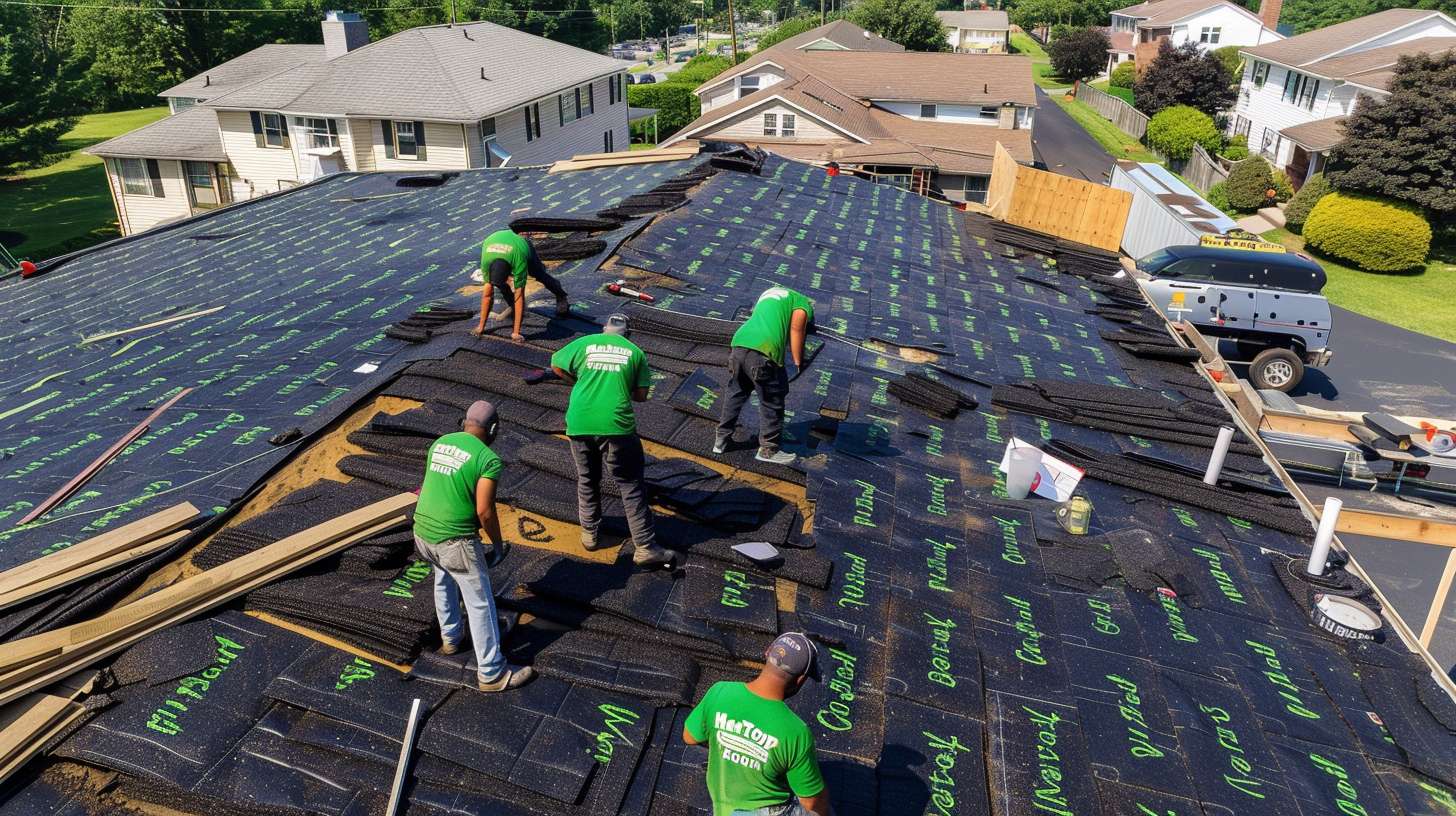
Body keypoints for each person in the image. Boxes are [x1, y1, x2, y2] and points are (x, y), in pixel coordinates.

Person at [412, 400, 535, 692]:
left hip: (423, 533)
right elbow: (484, 511)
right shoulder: (488, 459)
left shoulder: (440, 443)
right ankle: (492, 673)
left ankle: (451, 639)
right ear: (493, 429)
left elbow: (432, 487)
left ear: (464, 422)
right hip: (455, 539)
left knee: (443, 578)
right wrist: (497, 545)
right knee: (480, 602)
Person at [550, 314, 675, 568]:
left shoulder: (585, 343)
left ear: (604, 329)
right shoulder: (635, 353)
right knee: (630, 484)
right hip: (616, 427)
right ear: (627, 334)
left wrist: (578, 381)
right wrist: (620, 385)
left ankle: (589, 535)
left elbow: (556, 365)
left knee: (587, 478)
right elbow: (641, 396)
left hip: (579, 422)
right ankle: (645, 547)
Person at [683, 632, 831, 816]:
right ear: (801, 680)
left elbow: (689, 737)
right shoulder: (796, 732)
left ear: (767, 653)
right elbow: (811, 801)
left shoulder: (720, 691)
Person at [715, 286, 814, 465]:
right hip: (763, 350)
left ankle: (721, 440)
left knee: (736, 393)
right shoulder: (802, 304)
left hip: (739, 344)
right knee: (772, 399)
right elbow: (796, 329)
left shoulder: (769, 293)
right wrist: (799, 362)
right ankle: (768, 449)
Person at [472, 227, 570, 343]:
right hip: (495, 240)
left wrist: (516, 333)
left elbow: (519, 297)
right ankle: (511, 306)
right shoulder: (486, 262)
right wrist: (480, 327)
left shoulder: (519, 261)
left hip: (520, 244)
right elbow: (487, 296)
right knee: (498, 284)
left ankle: (561, 295)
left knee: (538, 274)